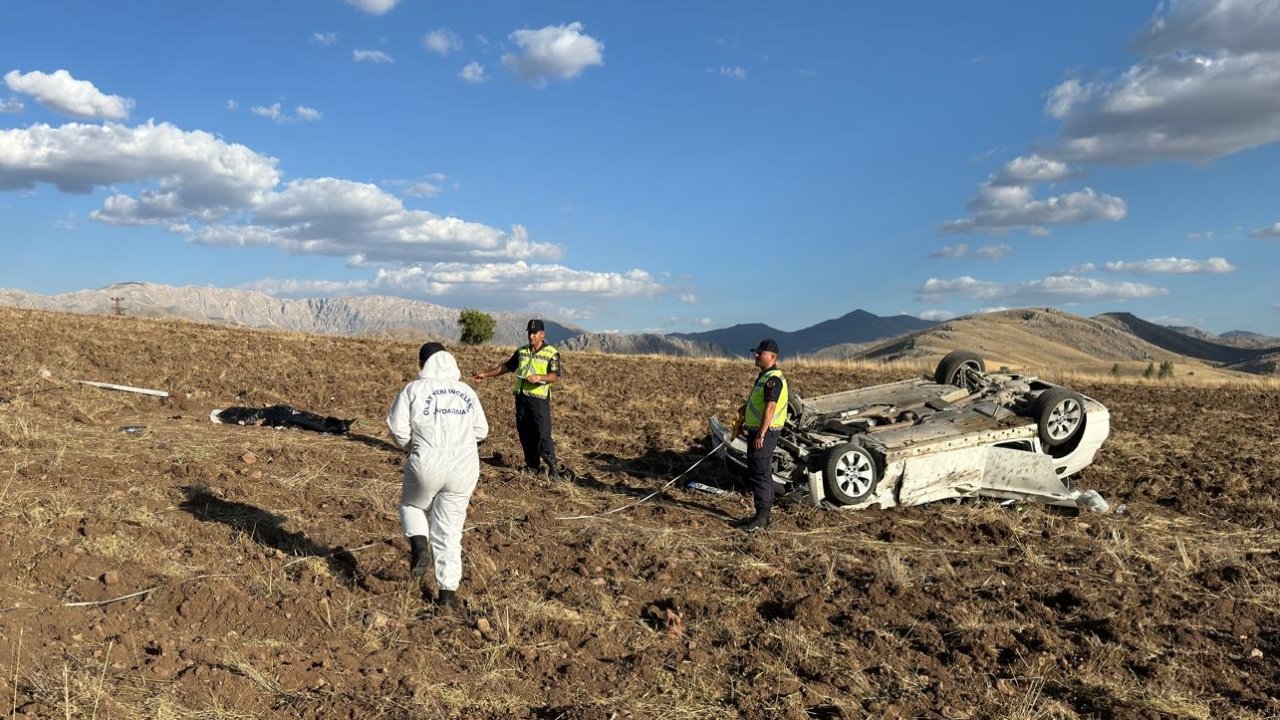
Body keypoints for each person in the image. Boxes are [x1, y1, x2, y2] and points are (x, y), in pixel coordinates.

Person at [387, 342, 489, 608]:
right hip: (465, 467)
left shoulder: (413, 389)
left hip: (427, 461)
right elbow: (481, 431)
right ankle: (447, 595)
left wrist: (412, 446)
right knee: (449, 530)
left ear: (422, 364)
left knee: (412, 505)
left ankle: (420, 546)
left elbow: (397, 428)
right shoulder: (466, 391)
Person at [473, 319, 562, 478]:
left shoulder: (551, 353)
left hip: (539, 400)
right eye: (529, 333)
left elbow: (554, 376)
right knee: (525, 432)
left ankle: (552, 468)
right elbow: (506, 367)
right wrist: (484, 374)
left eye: (534, 333)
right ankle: (532, 466)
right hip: (521, 399)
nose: (531, 336)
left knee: (542, 433)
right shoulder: (522, 351)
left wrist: (540, 377)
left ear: (542, 334)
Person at [735, 338, 789, 532]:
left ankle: (762, 519)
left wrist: (761, 434)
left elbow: (771, 407)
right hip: (758, 430)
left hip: (766, 432)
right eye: (756, 352)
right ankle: (761, 516)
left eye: (760, 353)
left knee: (760, 472)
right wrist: (745, 409)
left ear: (773, 356)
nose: (756, 355)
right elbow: (759, 403)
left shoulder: (773, 379)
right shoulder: (764, 377)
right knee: (757, 470)